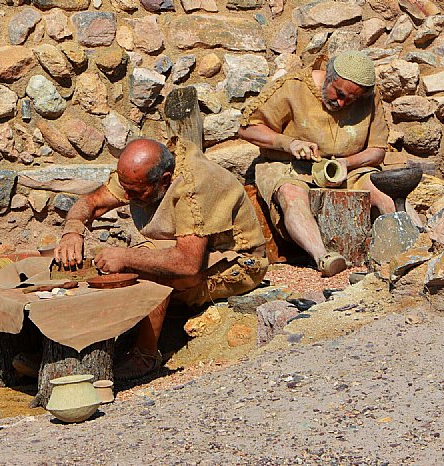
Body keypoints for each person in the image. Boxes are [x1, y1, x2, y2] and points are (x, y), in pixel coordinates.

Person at [54, 138, 268, 379]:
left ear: (164, 180)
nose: (127, 196)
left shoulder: (194, 187)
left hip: (238, 263)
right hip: (195, 252)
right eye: (125, 189)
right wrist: (73, 230)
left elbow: (187, 264)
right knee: (124, 267)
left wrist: (126, 256)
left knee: (148, 272)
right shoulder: (139, 176)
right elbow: (92, 203)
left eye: (136, 192)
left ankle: (145, 355)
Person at [238, 50, 395, 277]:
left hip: (348, 169)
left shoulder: (369, 97)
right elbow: (247, 128)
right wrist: (289, 143)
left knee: (383, 192)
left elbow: (377, 151)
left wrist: (346, 163)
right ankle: (324, 257)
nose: (341, 103)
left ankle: (404, 251)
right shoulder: (294, 87)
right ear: (328, 76)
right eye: (339, 94)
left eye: (350, 100)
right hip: (290, 166)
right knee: (291, 195)